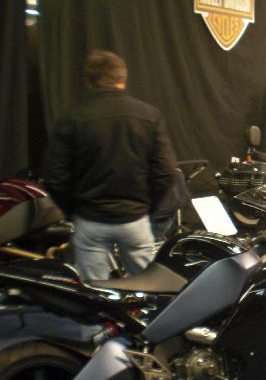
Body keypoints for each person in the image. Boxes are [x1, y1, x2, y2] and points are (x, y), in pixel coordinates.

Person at [44, 49, 177, 280]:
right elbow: (166, 173)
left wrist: (74, 211)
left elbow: (54, 177)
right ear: (122, 78)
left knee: (95, 292)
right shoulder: (149, 115)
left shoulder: (71, 118)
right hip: (135, 220)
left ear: (88, 81)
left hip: (90, 221)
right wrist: (146, 208)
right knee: (147, 289)